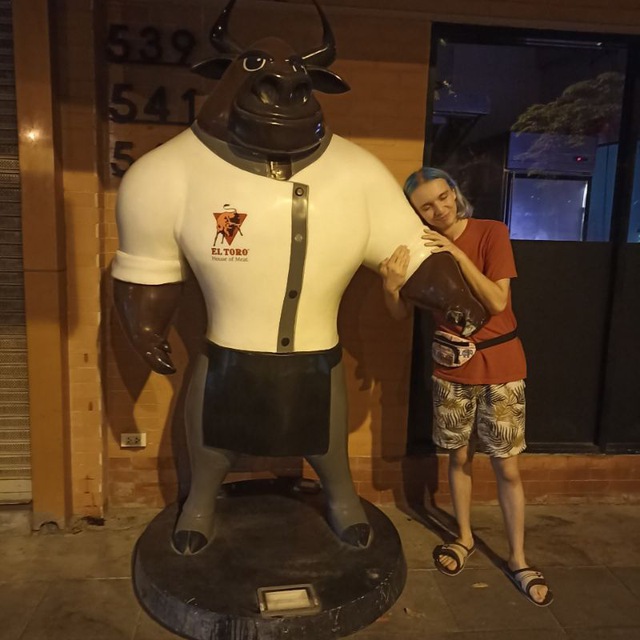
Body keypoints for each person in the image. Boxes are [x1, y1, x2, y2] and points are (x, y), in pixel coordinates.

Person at [380, 167, 553, 607]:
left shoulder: (491, 232)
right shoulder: (420, 246)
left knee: (507, 467)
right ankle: (463, 537)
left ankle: (518, 558)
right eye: (426, 206)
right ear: (416, 212)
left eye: (443, 197)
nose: (439, 209)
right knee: (458, 458)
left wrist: (456, 254)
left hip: (502, 365)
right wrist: (391, 288)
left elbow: (497, 301)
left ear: (455, 193)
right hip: (451, 369)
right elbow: (400, 315)